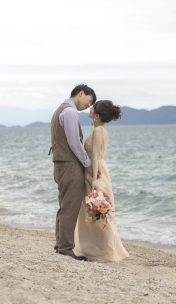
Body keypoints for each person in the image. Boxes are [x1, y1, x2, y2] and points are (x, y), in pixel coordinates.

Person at [74, 99, 129, 262]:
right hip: (98, 171)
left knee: (99, 213)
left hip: (96, 174)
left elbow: (95, 157)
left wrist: (95, 180)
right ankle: (99, 249)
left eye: (93, 108)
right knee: (99, 213)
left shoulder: (98, 130)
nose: (90, 108)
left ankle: (104, 252)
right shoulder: (100, 129)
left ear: (96, 116)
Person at [50, 83, 96, 260]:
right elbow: (74, 142)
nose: (88, 105)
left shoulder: (60, 110)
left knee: (64, 206)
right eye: (89, 100)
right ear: (81, 93)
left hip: (61, 164)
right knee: (70, 206)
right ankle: (66, 248)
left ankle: (61, 246)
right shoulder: (70, 111)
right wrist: (87, 163)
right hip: (69, 165)